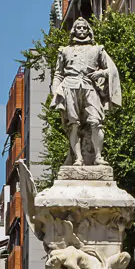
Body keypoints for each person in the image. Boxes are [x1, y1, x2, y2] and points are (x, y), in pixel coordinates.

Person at [51, 17, 122, 167]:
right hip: (70, 86)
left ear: (88, 30)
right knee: (74, 124)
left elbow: (112, 69)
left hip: (89, 86)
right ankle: (78, 159)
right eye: (79, 28)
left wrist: (101, 73)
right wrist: (54, 91)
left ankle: (98, 157)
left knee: (96, 121)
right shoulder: (64, 51)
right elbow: (58, 74)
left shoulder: (97, 49)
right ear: (74, 30)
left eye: (84, 28)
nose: (82, 30)